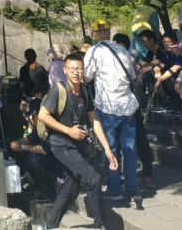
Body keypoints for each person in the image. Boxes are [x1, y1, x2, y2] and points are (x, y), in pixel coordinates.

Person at [37, 52, 117, 230]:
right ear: (65, 70)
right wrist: (68, 131)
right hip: (61, 144)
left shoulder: (85, 90)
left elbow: (94, 120)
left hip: (77, 144)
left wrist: (107, 149)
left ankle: (50, 225)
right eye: (72, 69)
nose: (76, 73)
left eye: (79, 69)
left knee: (71, 188)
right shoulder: (58, 89)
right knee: (93, 178)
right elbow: (42, 115)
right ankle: (99, 224)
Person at [84, 31, 141, 206]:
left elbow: (86, 77)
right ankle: (133, 189)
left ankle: (115, 189)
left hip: (106, 106)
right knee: (129, 149)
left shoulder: (94, 51)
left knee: (110, 148)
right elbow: (132, 76)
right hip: (127, 106)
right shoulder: (123, 50)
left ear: (94, 33)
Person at [112, 33, 155, 189]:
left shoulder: (121, 61)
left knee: (130, 141)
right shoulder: (132, 60)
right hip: (130, 105)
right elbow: (139, 80)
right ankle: (146, 174)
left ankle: (134, 176)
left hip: (122, 106)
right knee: (138, 140)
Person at [9, 98, 58, 201]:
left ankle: (47, 192)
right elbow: (29, 138)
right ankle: (37, 185)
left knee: (33, 157)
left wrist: (22, 147)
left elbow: (45, 149)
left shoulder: (48, 125)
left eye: (31, 116)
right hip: (48, 158)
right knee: (26, 154)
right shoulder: (38, 126)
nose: (30, 119)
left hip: (56, 160)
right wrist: (16, 143)